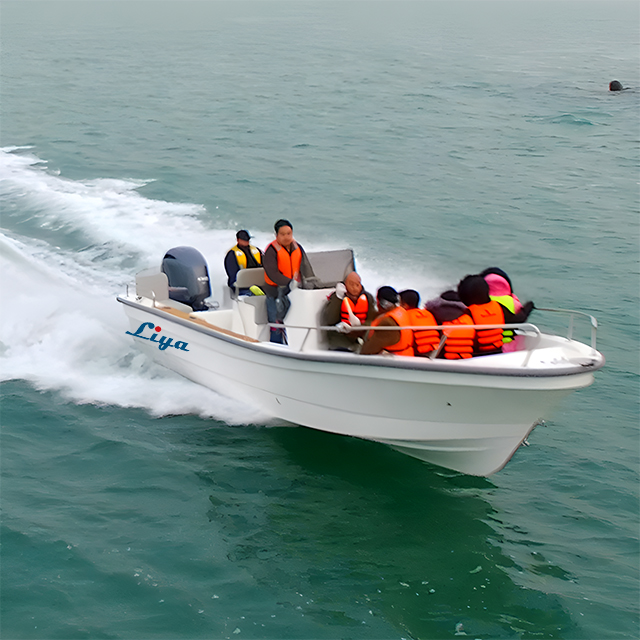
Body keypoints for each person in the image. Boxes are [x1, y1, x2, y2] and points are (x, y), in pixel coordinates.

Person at [263, 219, 309, 344]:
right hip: (274, 293)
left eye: (289, 233)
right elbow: (272, 273)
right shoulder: (271, 251)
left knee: (295, 321)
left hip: (293, 292)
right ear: (276, 235)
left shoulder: (297, 247)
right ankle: (276, 346)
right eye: (282, 234)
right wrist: (289, 282)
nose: (286, 237)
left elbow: (306, 267)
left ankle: (295, 345)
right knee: (276, 324)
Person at [321, 271, 377, 351]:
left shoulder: (368, 298)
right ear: (345, 285)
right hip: (341, 337)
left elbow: (374, 320)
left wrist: (360, 326)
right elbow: (330, 319)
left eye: (357, 285)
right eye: (351, 284)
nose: (354, 288)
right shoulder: (336, 297)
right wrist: (338, 298)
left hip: (361, 336)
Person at [360, 286, 413, 356]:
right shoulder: (401, 311)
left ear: (380, 303)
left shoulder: (388, 323)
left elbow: (367, 351)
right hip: (406, 357)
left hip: (394, 362)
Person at [399, 289, 440, 356]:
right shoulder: (428, 314)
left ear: (404, 305)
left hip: (417, 353)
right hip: (434, 352)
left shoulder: (404, 316)